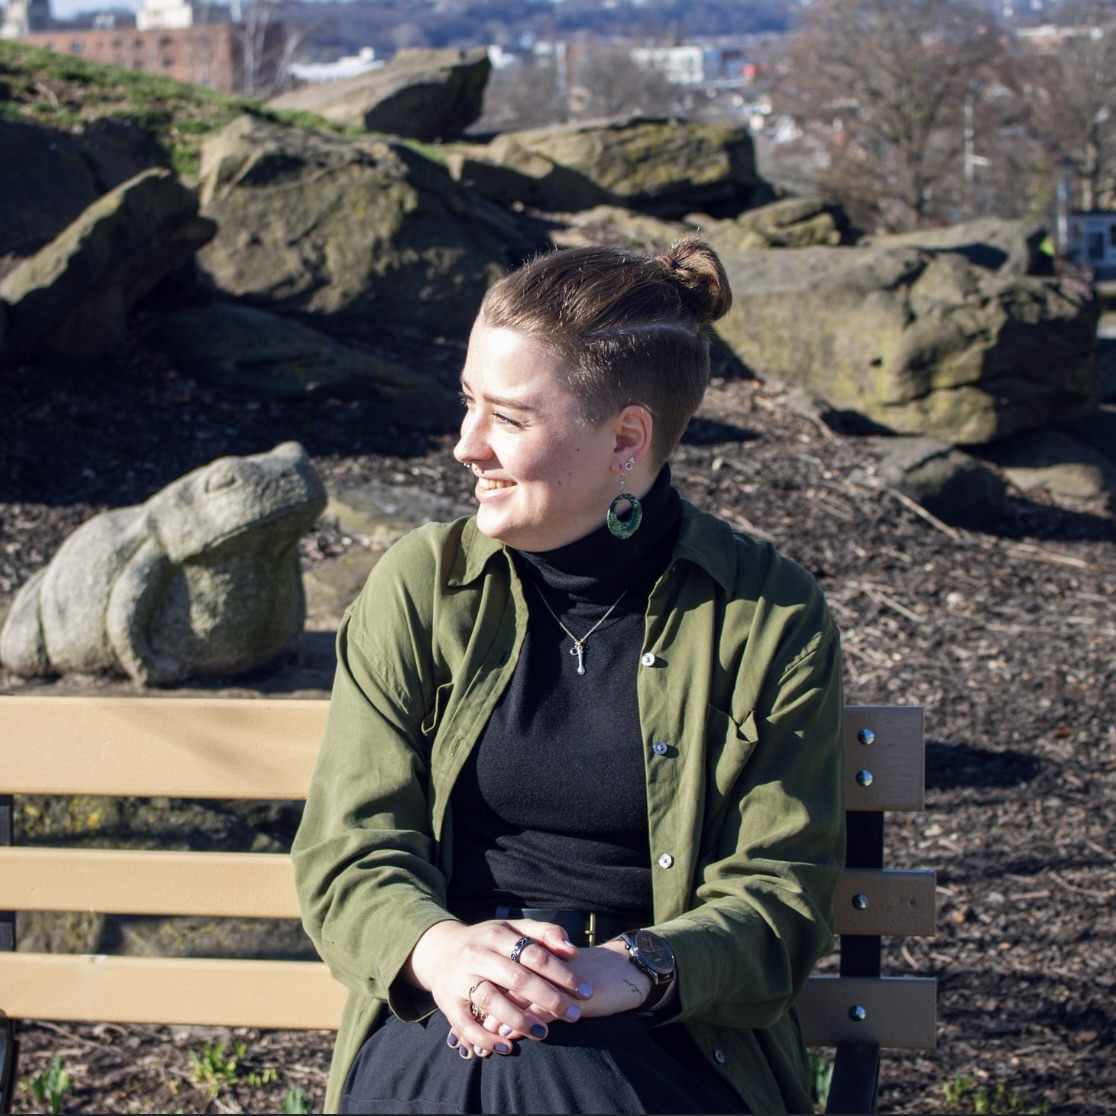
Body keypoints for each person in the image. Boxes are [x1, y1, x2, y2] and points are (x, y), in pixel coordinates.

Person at [292, 237, 845, 1115]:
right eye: (468, 401)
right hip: (443, 1014)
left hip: (670, 1031)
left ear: (627, 437)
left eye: (507, 418)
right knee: (498, 1065)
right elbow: (348, 851)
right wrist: (444, 954)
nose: (465, 445)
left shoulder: (763, 615)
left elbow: (780, 899)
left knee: (537, 1071)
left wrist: (623, 972)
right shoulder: (421, 590)